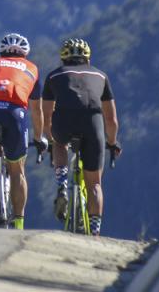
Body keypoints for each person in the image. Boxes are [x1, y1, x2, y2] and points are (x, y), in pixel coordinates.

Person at [38, 37, 121, 236]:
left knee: (59, 144)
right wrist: (112, 143)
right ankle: (94, 231)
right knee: (94, 184)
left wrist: (50, 140)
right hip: (93, 124)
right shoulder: (101, 76)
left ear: (63, 59)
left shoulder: (53, 76)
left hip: (64, 121)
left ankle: (62, 184)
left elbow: (46, 116)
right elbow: (111, 120)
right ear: (88, 59)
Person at [0, 33, 44, 229]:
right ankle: (19, 221)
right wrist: (39, 138)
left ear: (1, 52)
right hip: (14, 113)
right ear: (25, 54)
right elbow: (36, 110)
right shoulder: (32, 69)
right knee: (17, 170)